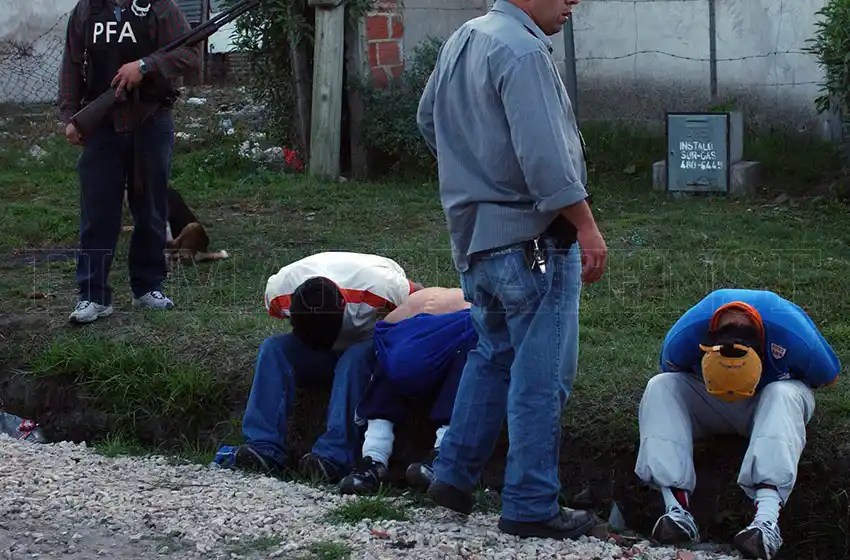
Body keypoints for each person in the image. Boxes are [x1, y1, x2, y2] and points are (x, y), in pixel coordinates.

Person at [416, 0, 608, 541]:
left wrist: (473, 171)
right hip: (532, 241)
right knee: (540, 375)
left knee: (493, 356)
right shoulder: (523, 50)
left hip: (476, 239)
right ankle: (529, 502)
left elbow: (427, 119)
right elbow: (547, 160)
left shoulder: (465, 38)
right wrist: (587, 227)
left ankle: (453, 476)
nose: (574, 2)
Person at [635, 288, 841, 560]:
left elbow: (829, 377)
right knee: (660, 386)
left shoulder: (795, 336)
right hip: (710, 398)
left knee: (784, 394)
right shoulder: (685, 335)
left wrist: (775, 383)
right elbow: (670, 369)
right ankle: (676, 510)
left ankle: (766, 522)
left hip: (769, 401)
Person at [58, 0, 201, 324]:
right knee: (97, 213)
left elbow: (191, 55)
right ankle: (93, 296)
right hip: (101, 124)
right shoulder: (87, 10)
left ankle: (148, 287)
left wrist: (146, 66)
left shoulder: (160, 7)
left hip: (151, 120)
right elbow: (71, 62)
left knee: (150, 208)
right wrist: (70, 115)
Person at [228, 251, 422, 483]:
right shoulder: (279, 289)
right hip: (317, 346)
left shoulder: (383, 287)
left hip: (366, 342)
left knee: (353, 358)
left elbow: (422, 298)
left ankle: (335, 455)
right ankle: (263, 446)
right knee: (273, 349)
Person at [338, 287, 475, 495]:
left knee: (387, 360)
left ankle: (373, 460)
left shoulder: (424, 296)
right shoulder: (475, 302)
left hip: (400, 330)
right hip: (451, 327)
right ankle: (442, 456)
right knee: (473, 357)